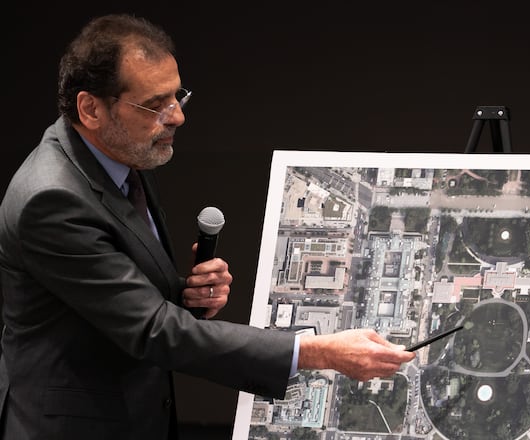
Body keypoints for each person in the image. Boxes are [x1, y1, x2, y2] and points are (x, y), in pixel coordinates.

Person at [0, 13, 415, 439]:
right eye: (155, 104)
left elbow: (112, 300)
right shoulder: (52, 201)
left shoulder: (122, 155)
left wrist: (184, 295)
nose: (177, 116)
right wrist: (315, 351)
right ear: (91, 108)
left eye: (177, 96)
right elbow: (154, 330)